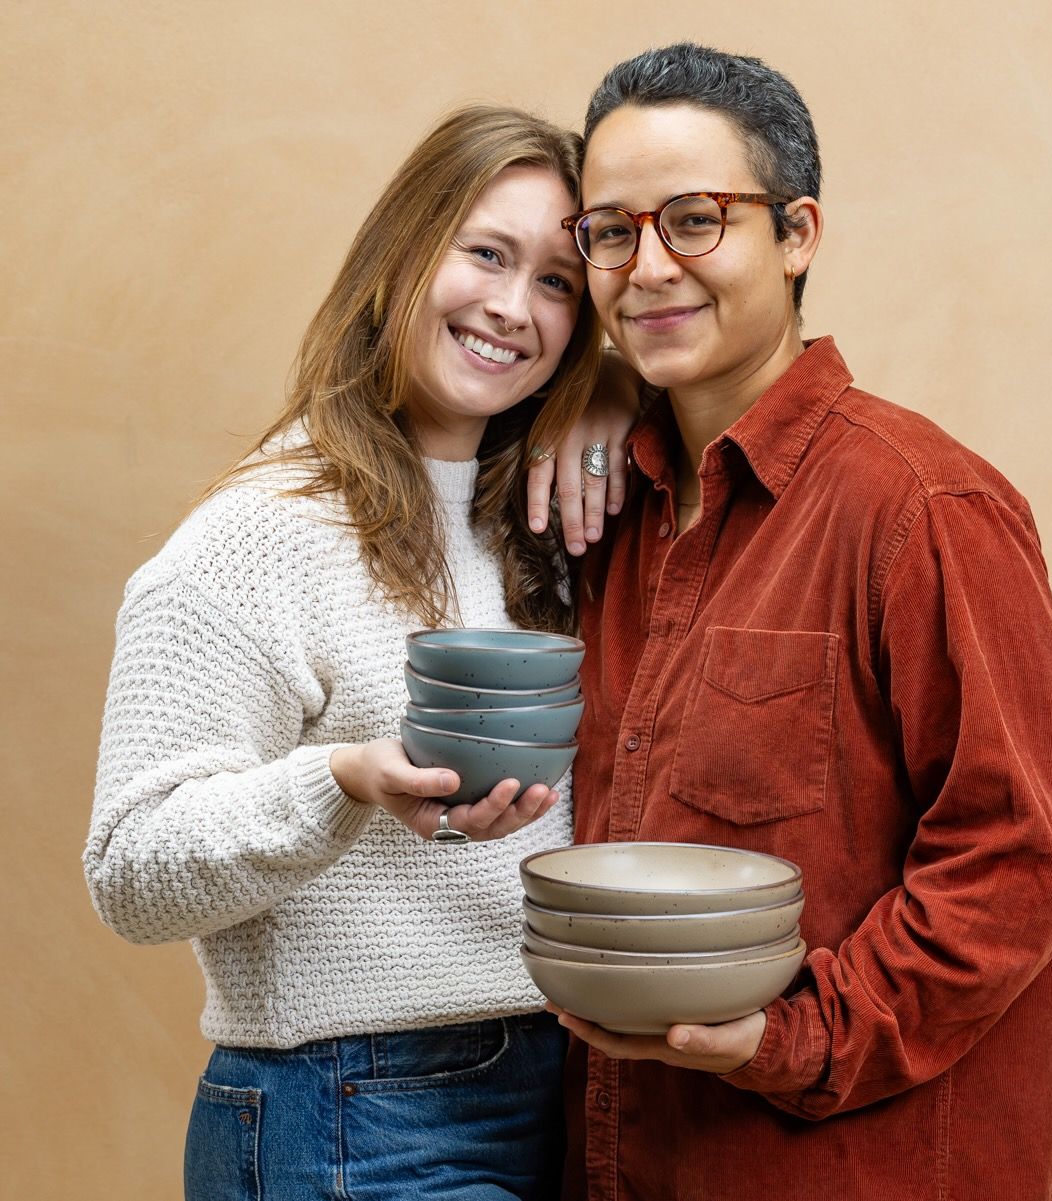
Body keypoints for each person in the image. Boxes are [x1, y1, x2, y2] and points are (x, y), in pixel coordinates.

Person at [547, 44, 1052, 1201]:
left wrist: (794, 1035)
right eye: (610, 231)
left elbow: (1025, 859)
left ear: (797, 234)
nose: (647, 267)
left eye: (695, 220)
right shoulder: (614, 516)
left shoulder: (922, 506)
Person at [84, 104, 633, 1201]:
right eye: (484, 253)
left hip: (560, 1088)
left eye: (557, 282)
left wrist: (617, 391)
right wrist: (338, 780)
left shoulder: (538, 519)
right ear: (401, 252)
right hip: (348, 1111)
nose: (512, 307)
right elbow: (129, 872)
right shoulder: (258, 537)